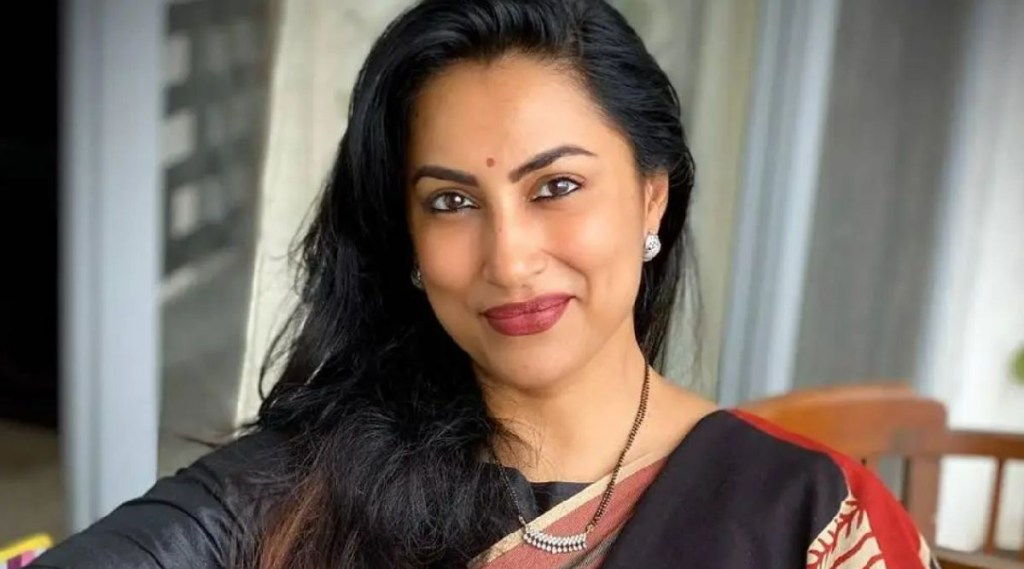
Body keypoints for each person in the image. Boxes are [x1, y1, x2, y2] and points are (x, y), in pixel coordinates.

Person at [31, 0, 940, 567]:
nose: (509, 258)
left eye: (557, 186)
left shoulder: (807, 515)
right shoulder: (313, 478)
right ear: (408, 240)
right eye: (453, 201)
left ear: (651, 195)